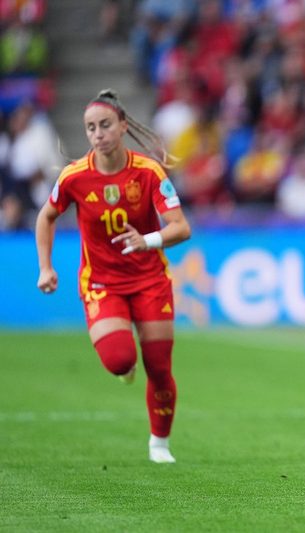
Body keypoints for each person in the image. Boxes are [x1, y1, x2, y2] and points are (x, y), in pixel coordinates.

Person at [35, 89, 191, 463]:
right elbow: (47, 216)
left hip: (150, 279)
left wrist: (148, 240)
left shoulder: (149, 172)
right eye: (90, 128)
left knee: (159, 366)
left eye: (105, 125)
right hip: (102, 282)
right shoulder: (74, 177)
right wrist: (46, 266)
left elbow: (181, 228)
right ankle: (125, 367)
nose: (98, 134)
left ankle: (159, 443)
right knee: (120, 359)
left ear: (122, 126)